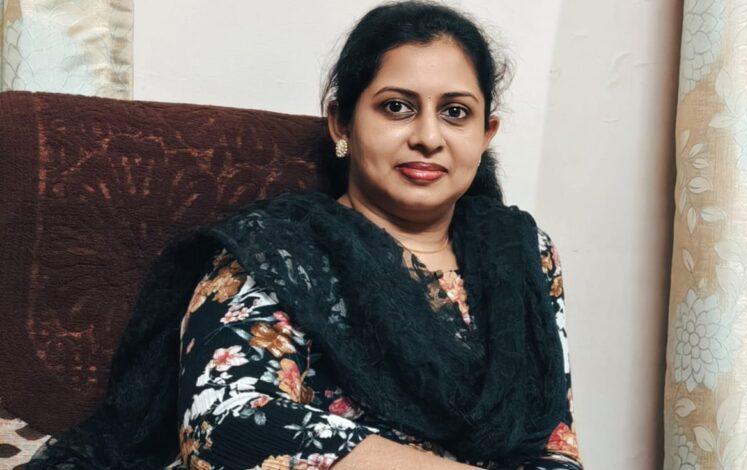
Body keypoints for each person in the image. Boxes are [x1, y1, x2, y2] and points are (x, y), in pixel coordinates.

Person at [28, 1, 583, 469]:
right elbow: (227, 426)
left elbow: (553, 440)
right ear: (341, 122)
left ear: (486, 133)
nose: (428, 136)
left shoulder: (523, 254)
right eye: (396, 107)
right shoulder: (282, 252)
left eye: (456, 112)